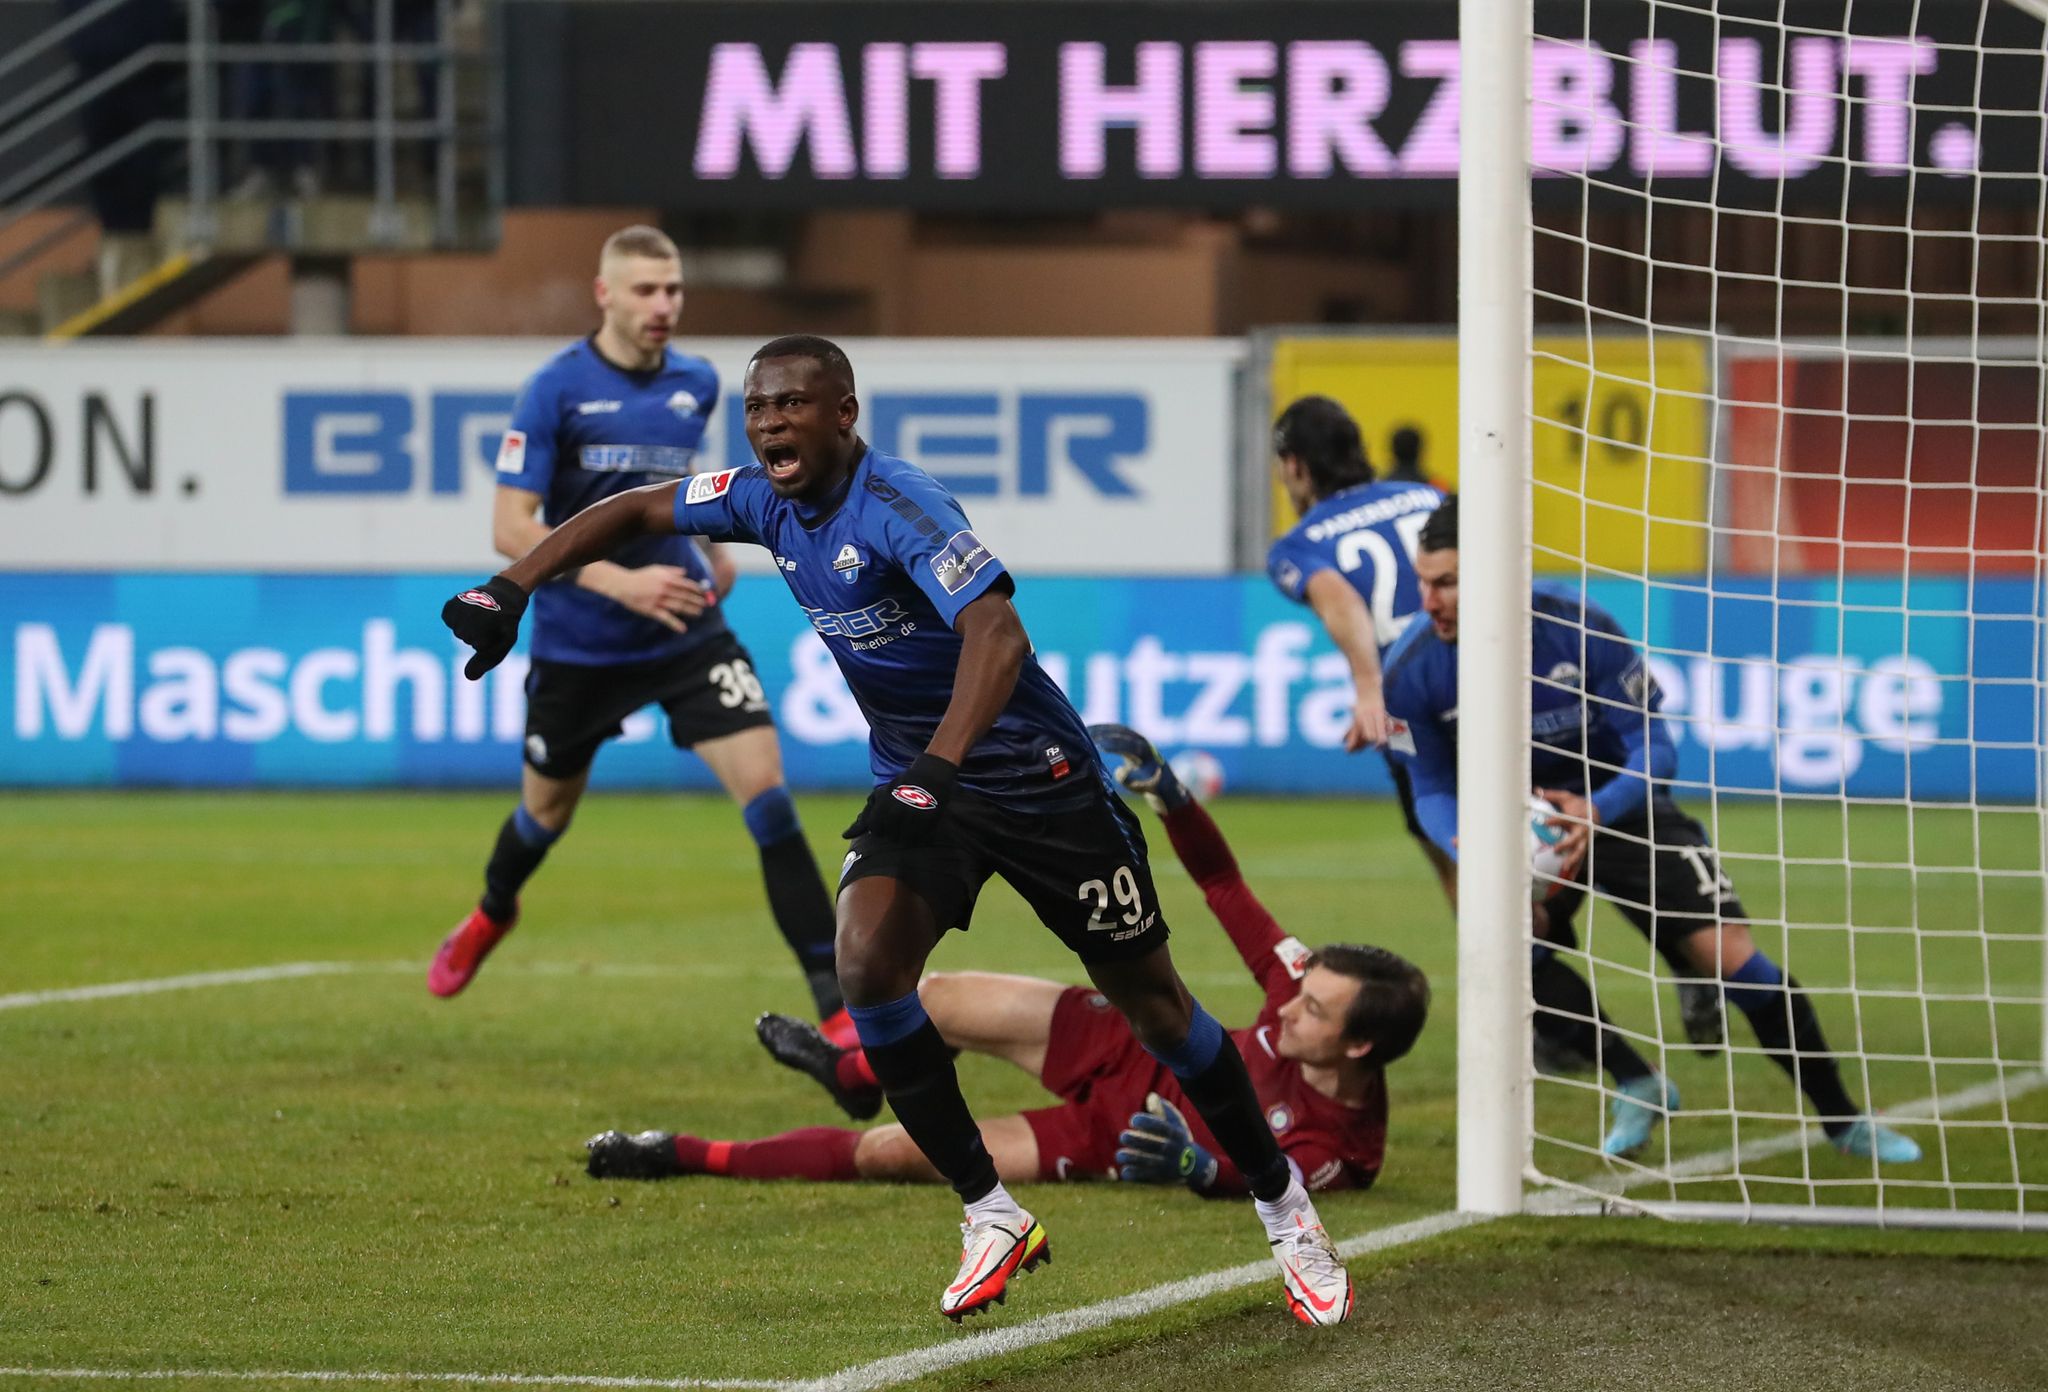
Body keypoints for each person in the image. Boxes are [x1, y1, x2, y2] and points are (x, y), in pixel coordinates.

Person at [438, 335, 1358, 1327]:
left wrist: (937, 763)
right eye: (756, 409)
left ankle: (1283, 1205)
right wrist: (513, 586)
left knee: (1159, 1014)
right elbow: (633, 508)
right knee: (868, 966)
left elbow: (998, 633)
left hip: (1041, 789)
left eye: (791, 406)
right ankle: (990, 1212)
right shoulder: (756, 498)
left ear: (844, 415)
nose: (768, 424)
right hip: (928, 791)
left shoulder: (900, 505)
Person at [583, 723, 1429, 1208]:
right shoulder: (1294, 990)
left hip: (1110, 1138)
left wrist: (1193, 1167)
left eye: (1315, 1013)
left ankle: (680, 1151)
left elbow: (1269, 1177)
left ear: (1358, 1050)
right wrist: (1171, 796)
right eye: (1302, 992)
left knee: (889, 1153)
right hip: (1129, 1048)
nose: (1287, 1010)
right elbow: (1222, 884)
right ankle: (850, 1068)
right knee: (934, 997)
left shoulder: (1346, 1148)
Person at [1381, 496, 1922, 1164]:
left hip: (1623, 808)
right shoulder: (1410, 670)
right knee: (1505, 949)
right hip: (1520, 826)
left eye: (1447, 582)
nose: (1429, 601)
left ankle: (1844, 1121)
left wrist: (1598, 809)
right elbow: (1429, 785)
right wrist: (1465, 842)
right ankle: (1638, 1080)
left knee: (1737, 962)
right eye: (1424, 582)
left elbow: (1655, 750)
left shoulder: (1580, 629)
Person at [428, 228, 850, 1051]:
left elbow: (679, 493)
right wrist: (614, 580)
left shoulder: (696, 383)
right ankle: (492, 912)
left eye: (674, 290)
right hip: (581, 645)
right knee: (544, 815)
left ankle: (837, 1006)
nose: (665, 306)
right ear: (606, 295)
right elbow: (509, 526)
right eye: (648, 291)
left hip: (684, 630)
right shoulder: (554, 391)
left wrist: (716, 551)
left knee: (767, 792)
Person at [1267, 395, 1722, 1060]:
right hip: (1500, 668)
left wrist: (1369, 686)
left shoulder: (1300, 544)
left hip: (1415, 699)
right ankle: (1677, 960)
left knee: (1461, 857)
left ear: (1296, 465)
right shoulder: (1423, 495)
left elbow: (1338, 598)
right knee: (1585, 821)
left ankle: (1534, 1016)